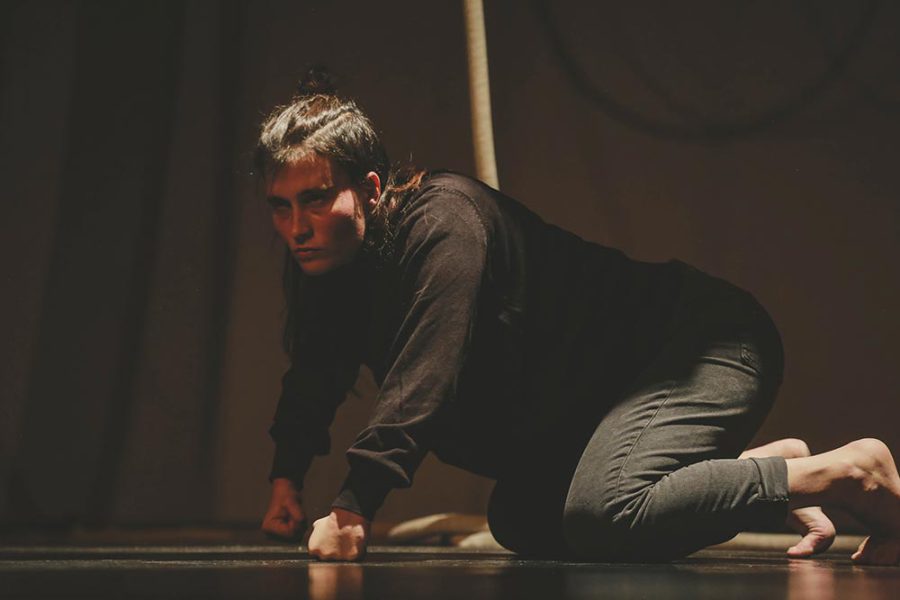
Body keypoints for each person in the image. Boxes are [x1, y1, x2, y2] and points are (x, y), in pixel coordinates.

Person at [257, 70, 900, 565]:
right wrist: (287, 477)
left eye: (315, 199)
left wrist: (354, 508)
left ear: (370, 189)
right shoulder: (334, 270)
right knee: (523, 518)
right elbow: (315, 369)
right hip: (611, 403)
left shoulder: (442, 223)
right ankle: (773, 472)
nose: (296, 227)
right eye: (281, 207)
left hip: (700, 345)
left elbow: (426, 372)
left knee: (604, 513)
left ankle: (849, 473)